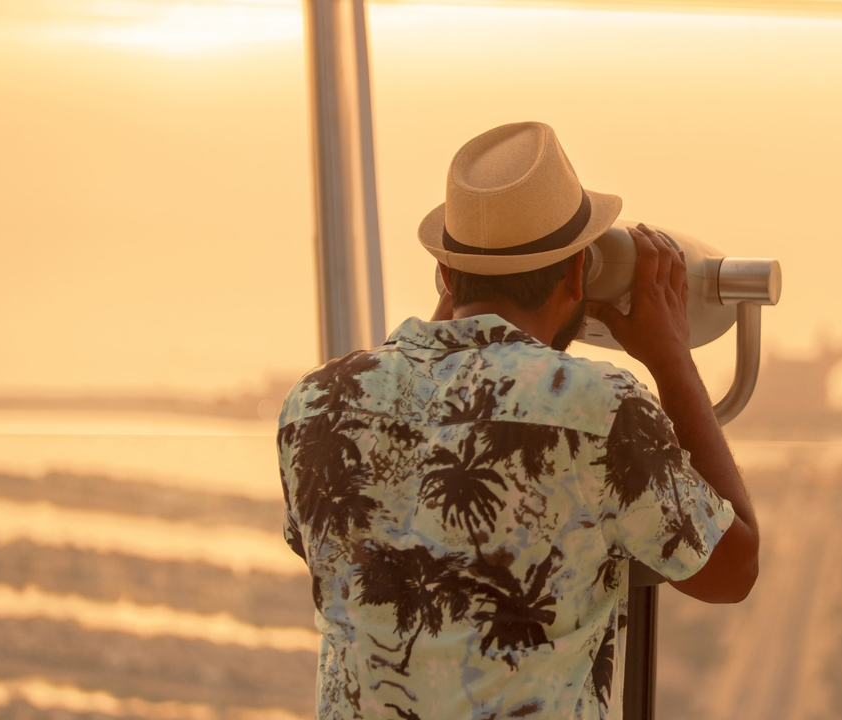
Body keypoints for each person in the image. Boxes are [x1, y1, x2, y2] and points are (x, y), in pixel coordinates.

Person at [277, 121, 759, 720]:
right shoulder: (602, 411)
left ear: (446, 276)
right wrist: (671, 358)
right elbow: (732, 570)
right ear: (580, 272)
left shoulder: (319, 402)